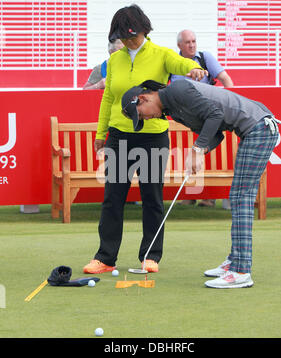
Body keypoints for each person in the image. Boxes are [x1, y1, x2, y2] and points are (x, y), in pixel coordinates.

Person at [83, 4, 207, 275]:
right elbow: (108, 98)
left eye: (132, 35)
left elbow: (183, 64)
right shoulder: (114, 60)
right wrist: (101, 134)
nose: (128, 41)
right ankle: (105, 257)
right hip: (118, 137)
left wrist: (194, 68)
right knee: (113, 197)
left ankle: (150, 256)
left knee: (152, 197)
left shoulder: (161, 55)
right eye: (122, 36)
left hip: (152, 137)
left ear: (144, 31)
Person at [121, 78, 281, 288]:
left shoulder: (177, 89)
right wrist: (201, 151)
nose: (147, 118)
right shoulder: (174, 110)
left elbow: (216, 115)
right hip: (254, 130)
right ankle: (235, 261)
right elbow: (216, 132)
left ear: (143, 98)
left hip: (259, 128)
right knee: (239, 196)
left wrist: (197, 150)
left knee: (241, 197)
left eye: (142, 114)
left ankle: (241, 271)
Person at [170, 29, 234, 209]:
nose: (192, 45)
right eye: (188, 42)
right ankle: (190, 195)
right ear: (179, 46)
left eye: (194, 41)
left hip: (208, 117)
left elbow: (226, 80)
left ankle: (209, 197)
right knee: (188, 156)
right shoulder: (173, 62)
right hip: (184, 121)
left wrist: (230, 103)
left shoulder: (205, 58)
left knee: (207, 154)